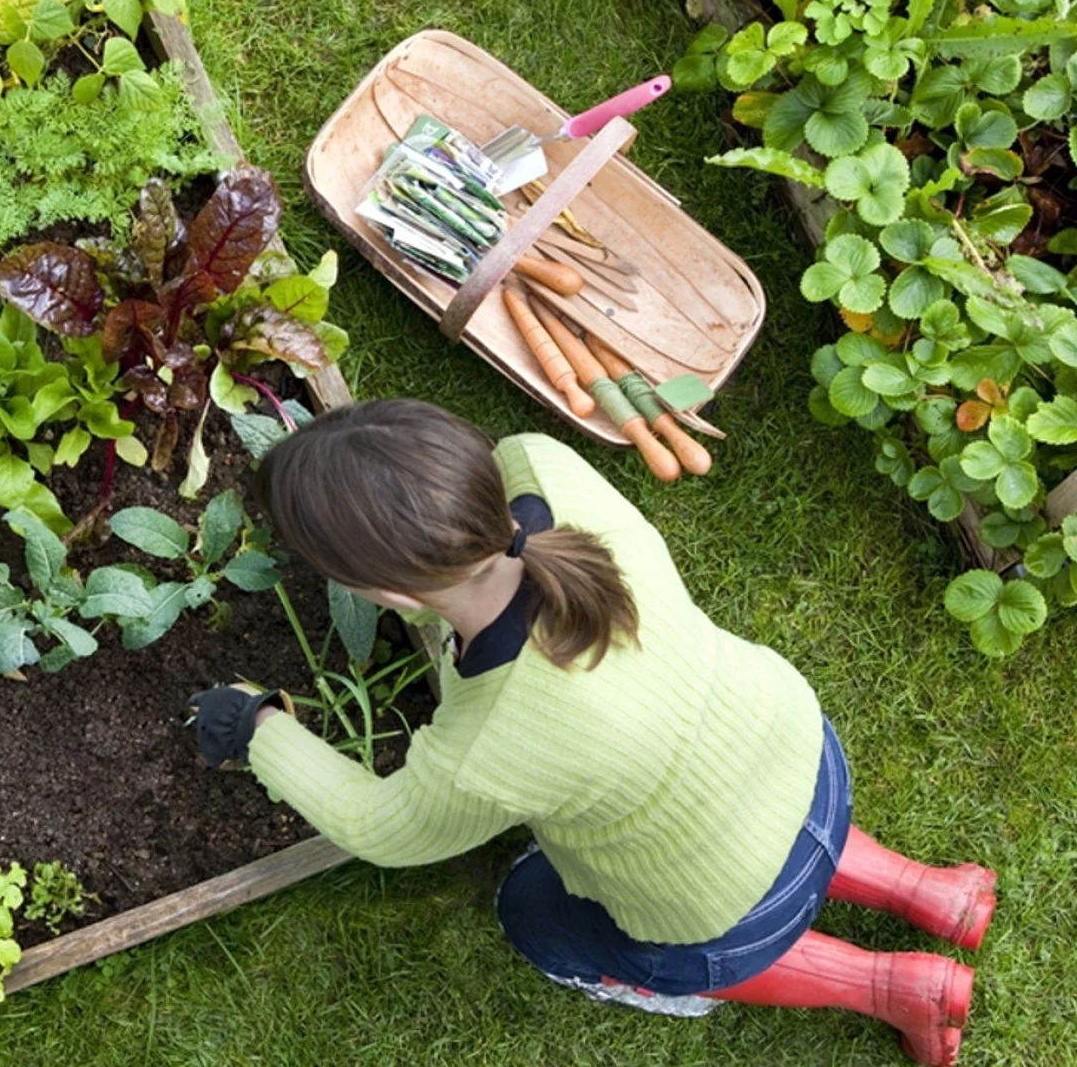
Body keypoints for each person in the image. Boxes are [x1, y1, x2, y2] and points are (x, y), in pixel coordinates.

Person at [190, 399, 996, 1067]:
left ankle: (893, 987)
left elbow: (382, 827)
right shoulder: (543, 467)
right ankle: (933, 893)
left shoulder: (489, 745)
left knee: (532, 913)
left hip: (723, 908)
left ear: (389, 593)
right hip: (798, 750)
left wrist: (256, 726)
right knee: (746, 816)